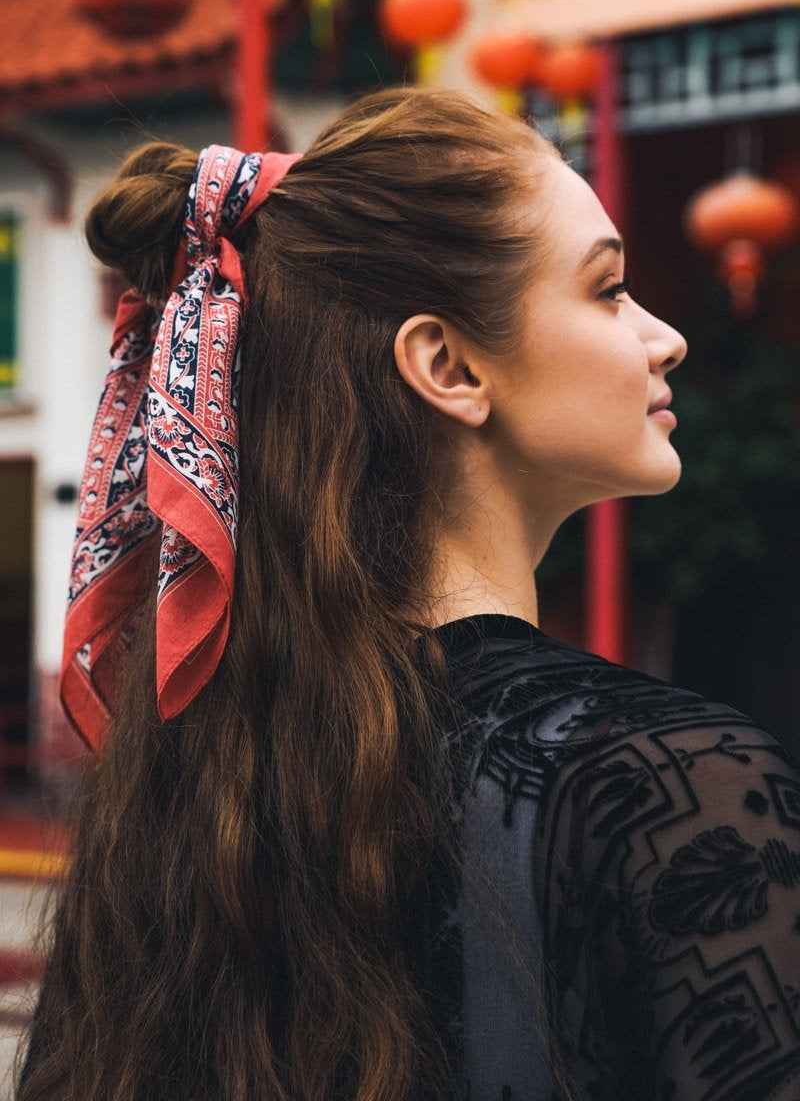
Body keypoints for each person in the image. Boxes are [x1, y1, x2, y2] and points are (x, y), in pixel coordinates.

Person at [16, 87, 800, 1101]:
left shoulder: (184, 786)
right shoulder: (673, 787)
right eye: (606, 290)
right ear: (446, 364)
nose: (662, 338)